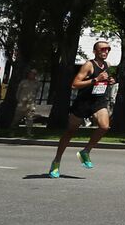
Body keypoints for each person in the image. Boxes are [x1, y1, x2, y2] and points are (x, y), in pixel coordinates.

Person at [48, 41, 116, 178]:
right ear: (95, 51)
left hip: (98, 101)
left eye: (108, 49)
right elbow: (75, 84)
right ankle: (56, 162)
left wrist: (110, 81)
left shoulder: (108, 65)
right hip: (83, 103)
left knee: (104, 126)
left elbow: (105, 81)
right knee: (70, 132)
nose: (106, 51)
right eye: (102, 49)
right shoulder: (89, 65)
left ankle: (85, 151)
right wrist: (95, 79)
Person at [14, 68, 41, 139]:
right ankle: (12, 131)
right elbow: (18, 92)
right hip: (21, 103)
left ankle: (29, 133)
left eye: (34, 74)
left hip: (31, 103)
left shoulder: (37, 83)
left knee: (30, 118)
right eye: (31, 73)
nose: (32, 75)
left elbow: (37, 92)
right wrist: (19, 99)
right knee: (17, 118)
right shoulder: (23, 82)